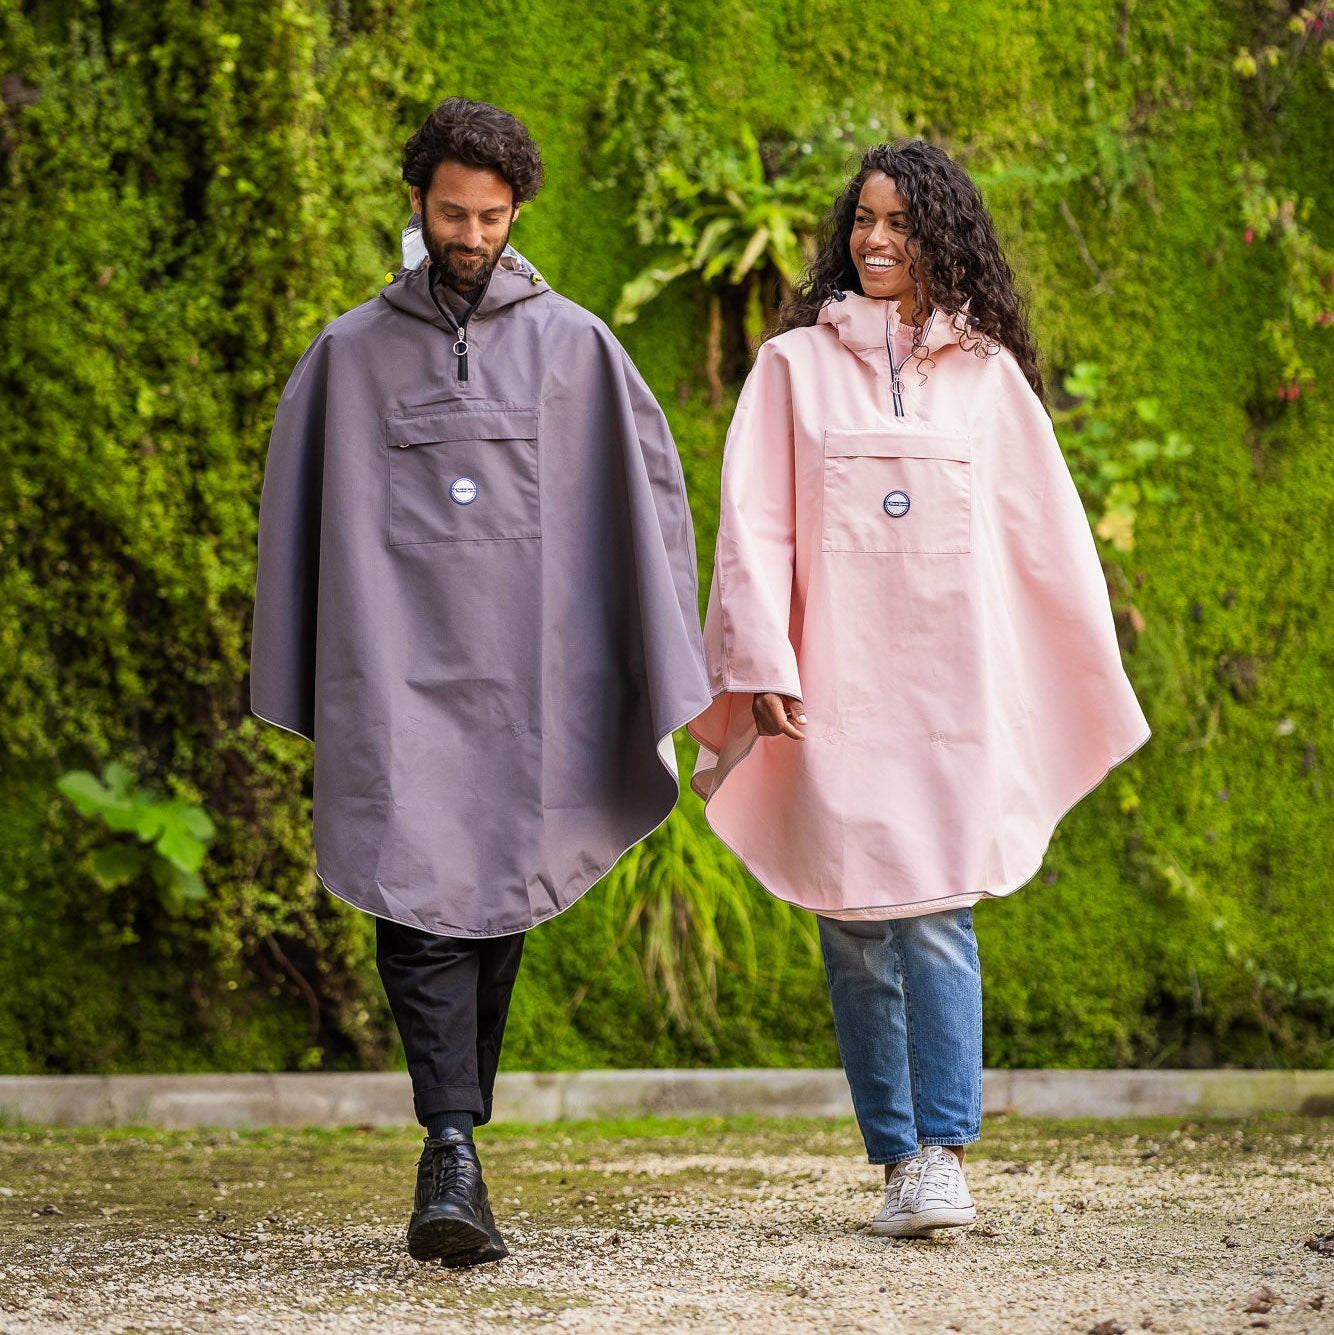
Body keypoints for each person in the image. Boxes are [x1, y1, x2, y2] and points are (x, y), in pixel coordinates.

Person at [251, 97, 711, 1268]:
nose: (469, 233)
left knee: (499, 898)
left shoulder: (574, 350)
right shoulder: (350, 354)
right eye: (451, 212)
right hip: (398, 686)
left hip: (528, 691)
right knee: (413, 896)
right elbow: (301, 522)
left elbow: (645, 509)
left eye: (491, 216)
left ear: (518, 210)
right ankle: (448, 1145)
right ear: (416, 202)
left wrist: (654, 667)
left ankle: (456, 1133)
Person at [688, 140, 1150, 1238]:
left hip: (949, 698)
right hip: (831, 691)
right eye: (861, 219)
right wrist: (758, 661)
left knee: (937, 913)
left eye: (898, 221)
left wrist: (1038, 677)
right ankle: (892, 1157)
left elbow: (1039, 540)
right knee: (849, 921)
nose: (876, 239)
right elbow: (752, 526)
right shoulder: (790, 367)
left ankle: (942, 1153)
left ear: (940, 235)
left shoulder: (987, 377)